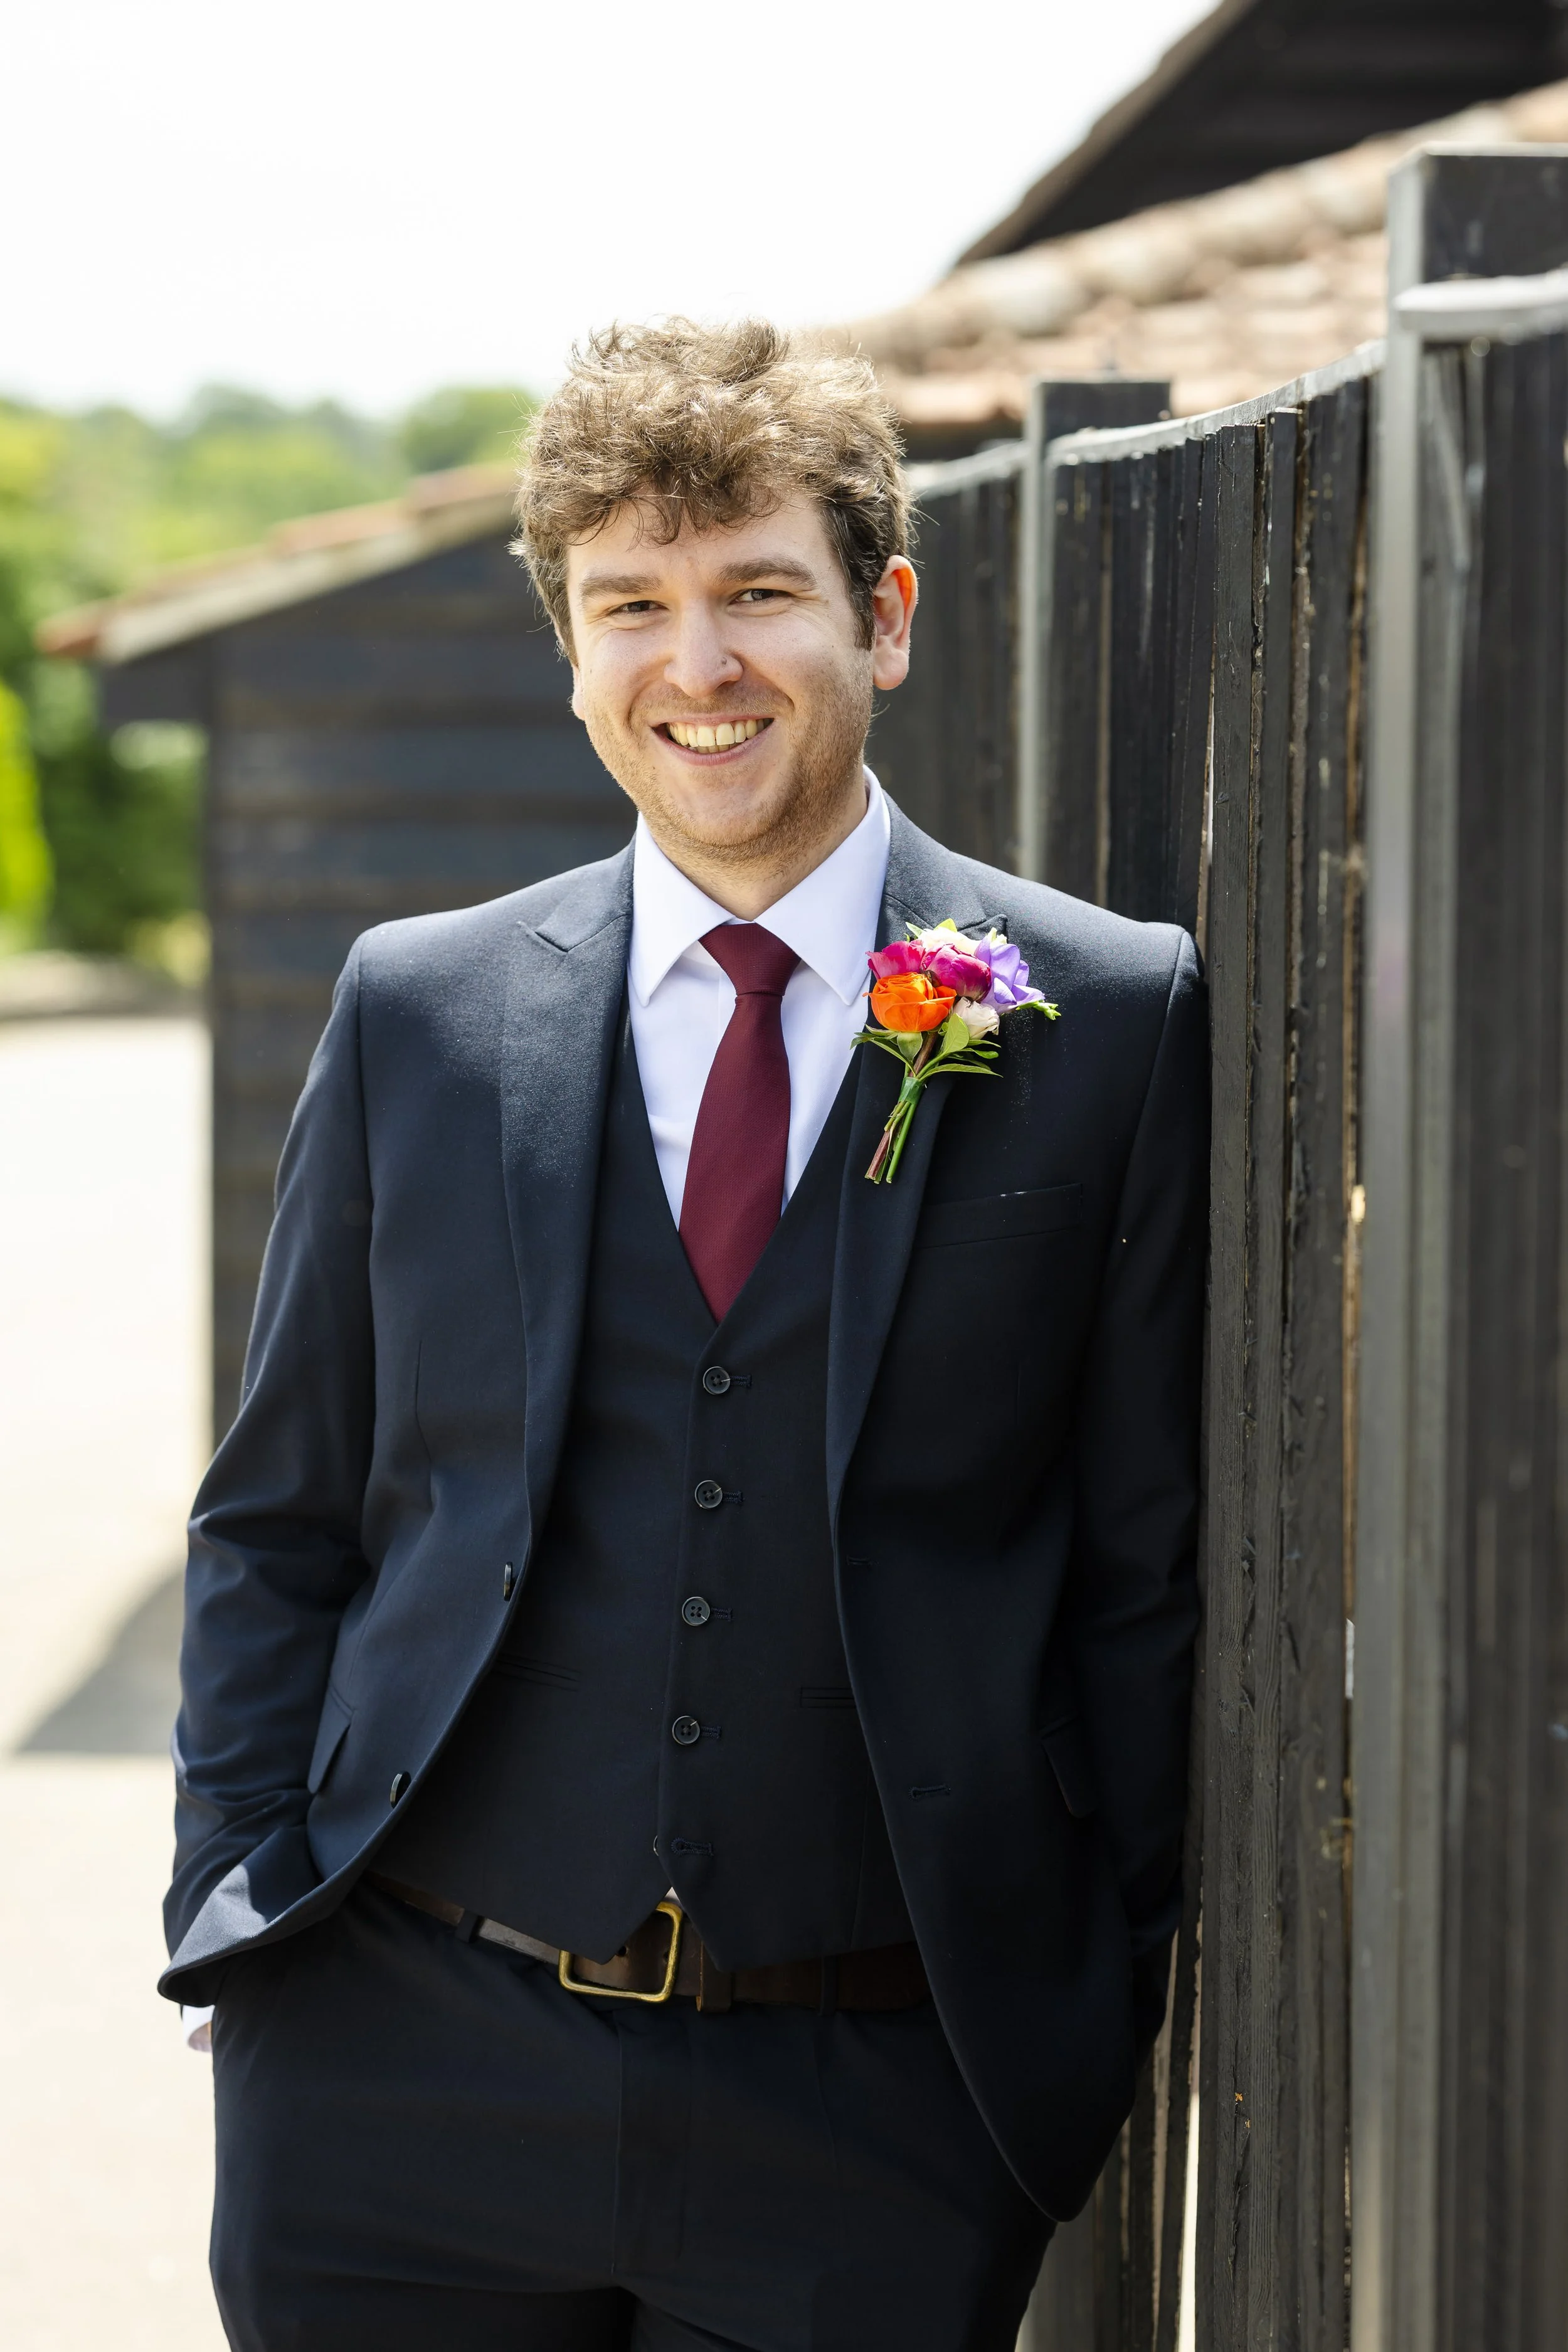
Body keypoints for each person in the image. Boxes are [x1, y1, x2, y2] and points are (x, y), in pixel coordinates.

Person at [163, 319, 1207, 2352]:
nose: (695, 664)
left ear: (880, 615)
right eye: (628, 605)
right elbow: (280, 1513)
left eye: (754, 592)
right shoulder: (419, 1010)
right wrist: (245, 1930)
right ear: (569, 651)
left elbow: (1137, 1569)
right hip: (397, 2078)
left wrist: (1084, 2004)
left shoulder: (1104, 1015)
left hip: (874, 2114)